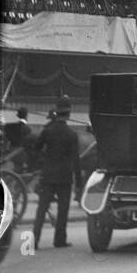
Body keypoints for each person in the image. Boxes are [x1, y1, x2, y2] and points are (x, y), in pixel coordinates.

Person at [32, 98, 82, 249]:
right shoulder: (72, 134)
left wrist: (43, 162)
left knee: (41, 209)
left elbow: (36, 148)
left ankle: (34, 240)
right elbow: (76, 160)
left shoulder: (47, 131)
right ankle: (59, 240)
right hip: (64, 177)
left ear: (56, 112)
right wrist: (79, 182)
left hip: (48, 174)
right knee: (63, 209)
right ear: (68, 114)